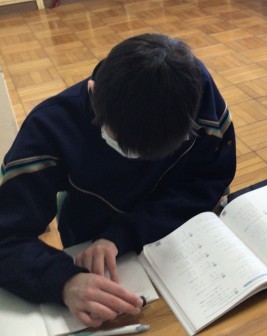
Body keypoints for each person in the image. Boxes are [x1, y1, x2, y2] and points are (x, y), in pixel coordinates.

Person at [0, 34, 236, 327]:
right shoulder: (51, 126)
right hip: (95, 248)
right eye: (125, 148)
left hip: (180, 236)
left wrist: (123, 234)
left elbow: (210, 178)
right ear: (93, 91)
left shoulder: (194, 90)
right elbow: (5, 236)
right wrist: (64, 281)